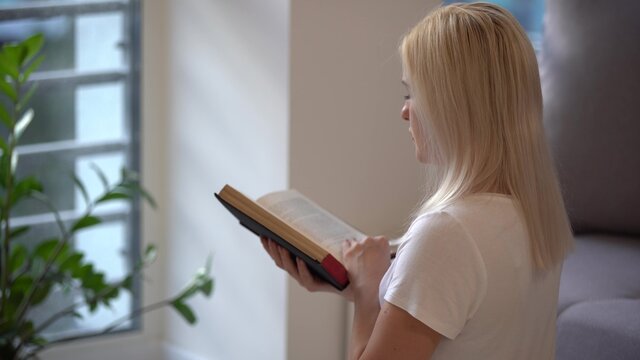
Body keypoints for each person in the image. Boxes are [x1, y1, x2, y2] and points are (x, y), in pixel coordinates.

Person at [261, 2, 573, 359]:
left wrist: (366, 297)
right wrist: (376, 286)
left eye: (413, 93)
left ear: (453, 105)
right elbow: (469, 319)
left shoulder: (447, 234)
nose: (404, 110)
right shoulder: (535, 215)